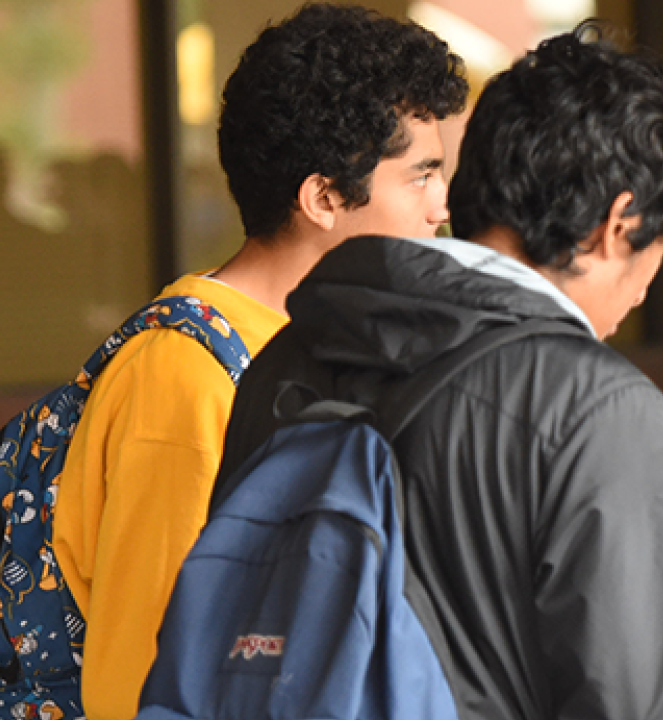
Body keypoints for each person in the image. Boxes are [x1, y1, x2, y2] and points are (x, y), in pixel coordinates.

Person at [206, 24, 663, 719]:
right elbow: (647, 697)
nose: (642, 290)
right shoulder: (594, 402)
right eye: (658, 251)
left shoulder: (290, 352)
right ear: (617, 225)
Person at [48, 6, 466, 717]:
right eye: (422, 177)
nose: (442, 209)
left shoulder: (315, 344)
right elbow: (146, 671)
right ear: (324, 197)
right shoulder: (183, 375)